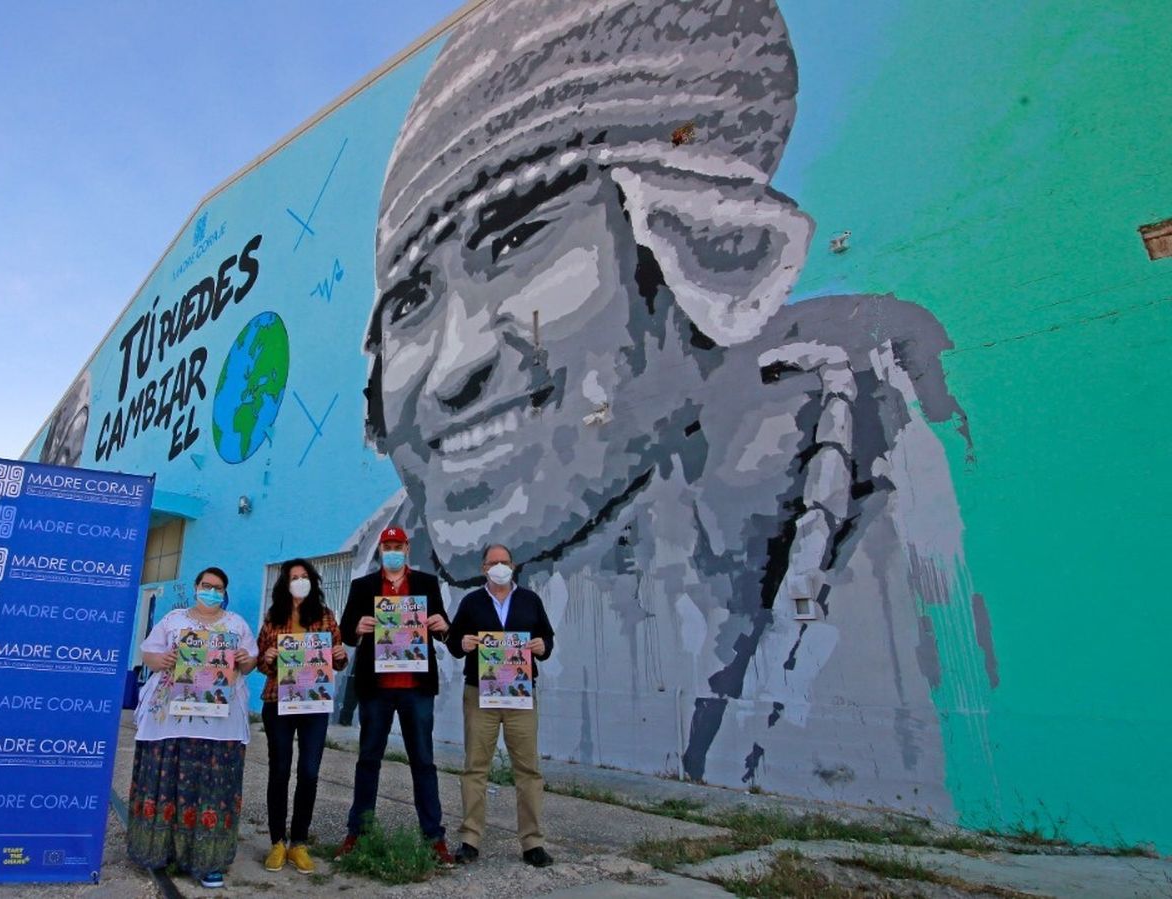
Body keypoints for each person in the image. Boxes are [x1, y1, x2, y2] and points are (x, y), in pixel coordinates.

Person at [353, 0, 993, 813]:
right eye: (410, 298)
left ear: (713, 247)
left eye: (519, 238)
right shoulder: (384, 559)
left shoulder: (921, 462)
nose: (451, 369)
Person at [126, 567, 258, 890]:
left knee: (213, 784)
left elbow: (250, 663)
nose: (211, 591)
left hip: (219, 719)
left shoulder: (236, 624)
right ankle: (159, 852)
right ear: (196, 586)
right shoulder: (173, 620)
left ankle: (207, 860)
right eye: (206, 585)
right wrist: (163, 660)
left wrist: (243, 659)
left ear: (224, 593)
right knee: (166, 776)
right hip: (170, 715)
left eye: (218, 588)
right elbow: (148, 652)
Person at [337, 526, 452, 863]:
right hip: (376, 690)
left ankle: (434, 838)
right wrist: (357, 629)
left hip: (417, 689)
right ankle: (357, 833)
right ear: (380, 550)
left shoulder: (427, 584)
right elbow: (345, 630)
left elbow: (444, 629)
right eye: (386, 545)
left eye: (396, 545)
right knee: (368, 761)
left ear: (407, 547)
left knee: (424, 762)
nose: (391, 550)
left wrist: (442, 627)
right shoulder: (364, 586)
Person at [444, 544, 555, 867]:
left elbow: (547, 639)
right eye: (493, 563)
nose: (499, 567)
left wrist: (541, 646)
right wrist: (461, 643)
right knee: (476, 767)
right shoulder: (472, 602)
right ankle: (470, 839)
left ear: (514, 566)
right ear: (483, 568)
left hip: (520, 696)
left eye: (504, 562)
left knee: (528, 770)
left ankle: (532, 842)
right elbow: (453, 641)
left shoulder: (530, 601)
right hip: (481, 694)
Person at [255, 559, 348, 874]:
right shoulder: (273, 617)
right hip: (277, 702)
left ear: (313, 581)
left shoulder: (325, 616)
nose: (299, 581)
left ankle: (299, 843)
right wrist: (267, 657)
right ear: (284, 583)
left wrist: (340, 655)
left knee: (309, 772)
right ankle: (277, 842)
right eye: (293, 577)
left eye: (304, 576)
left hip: (314, 705)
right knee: (279, 770)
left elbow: (338, 658)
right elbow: (261, 660)